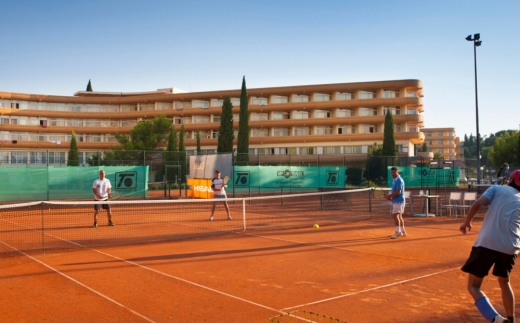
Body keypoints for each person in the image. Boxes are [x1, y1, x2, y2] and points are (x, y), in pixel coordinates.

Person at [459, 169, 520, 323]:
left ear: (510, 179)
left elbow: (477, 204)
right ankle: (511, 320)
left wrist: (467, 222)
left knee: (473, 286)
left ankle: (497, 319)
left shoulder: (496, 188)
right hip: (510, 247)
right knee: (505, 282)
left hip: (487, 244)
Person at [384, 166, 406, 239]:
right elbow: (395, 192)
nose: (393, 173)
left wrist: (389, 196)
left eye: (394, 172)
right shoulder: (395, 180)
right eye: (391, 172)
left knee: (395, 216)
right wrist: (390, 197)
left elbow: (398, 192)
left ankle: (398, 232)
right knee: (399, 216)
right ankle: (403, 231)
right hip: (398, 200)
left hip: (399, 201)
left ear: (397, 172)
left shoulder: (399, 180)